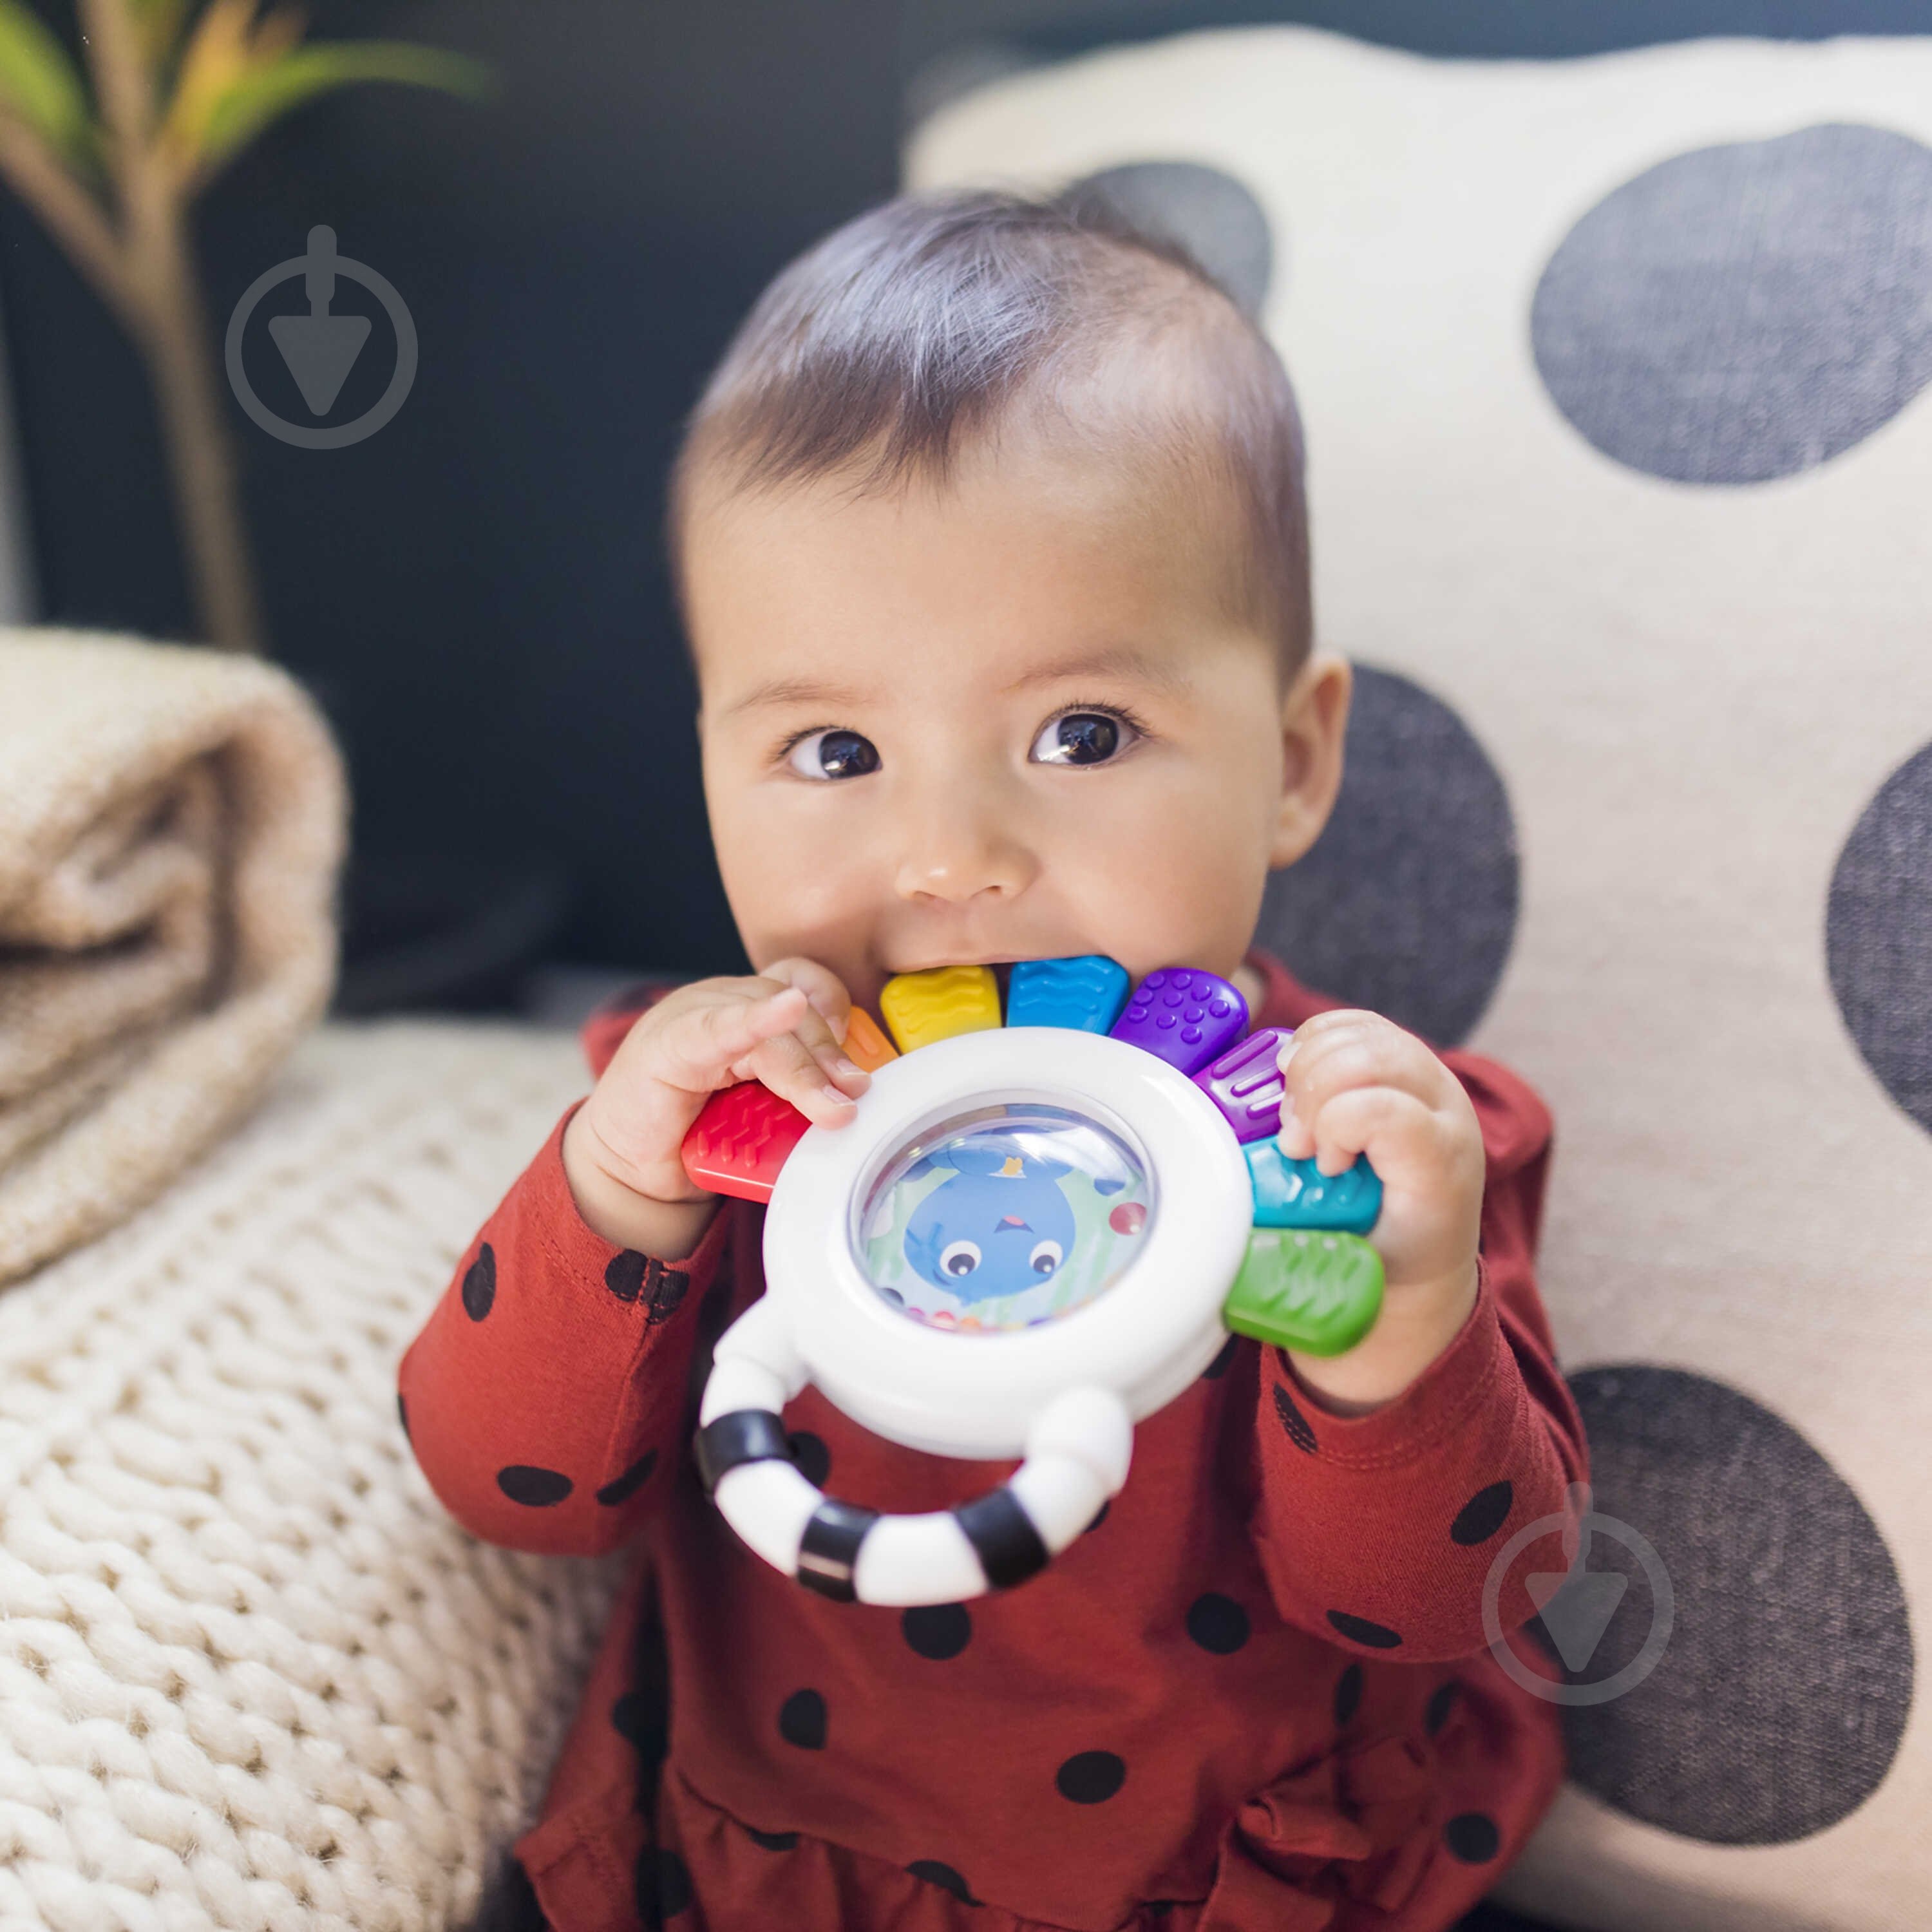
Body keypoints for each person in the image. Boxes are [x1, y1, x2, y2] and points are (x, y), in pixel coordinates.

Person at [398, 188, 1589, 1932]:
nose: (951, 857)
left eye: (1080, 733)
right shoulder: (720, 1119)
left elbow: (1446, 1604)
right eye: (834, 750)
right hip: (750, 1874)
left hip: (1216, 1886)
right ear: (708, 765)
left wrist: (1398, 1327)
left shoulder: (1368, 1152)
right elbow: (509, 1494)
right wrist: (612, 1191)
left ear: (1291, 759)